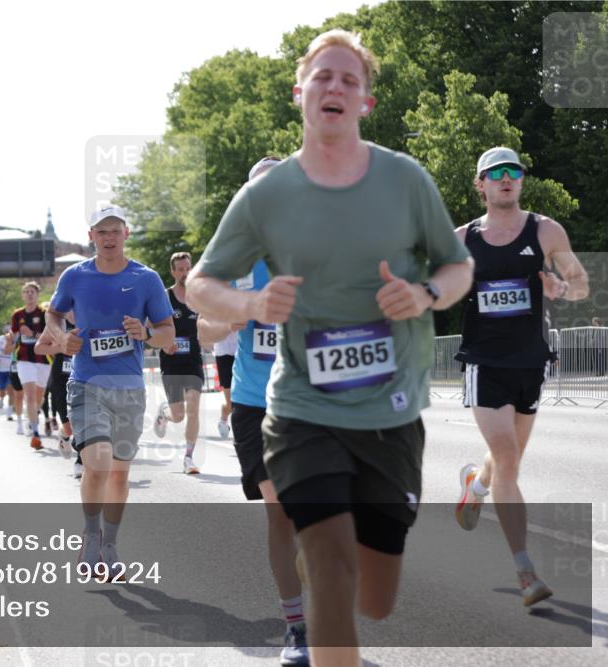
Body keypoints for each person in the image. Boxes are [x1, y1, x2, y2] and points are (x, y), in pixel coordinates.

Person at [185, 30, 474, 667]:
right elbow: (200, 286)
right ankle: (302, 628)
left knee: (374, 593)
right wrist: (251, 305)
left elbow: (458, 267)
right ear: (300, 93)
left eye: (350, 78)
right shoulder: (265, 196)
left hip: (388, 411)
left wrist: (424, 293)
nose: (335, 86)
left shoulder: (404, 179)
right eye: (323, 76)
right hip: (294, 407)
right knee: (324, 558)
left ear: (366, 99)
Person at [453, 146, 589, 607]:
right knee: (508, 456)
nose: (506, 179)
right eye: (496, 173)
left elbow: (581, 282)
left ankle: (476, 485)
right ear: (481, 184)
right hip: (484, 363)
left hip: (530, 361)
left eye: (513, 172)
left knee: (506, 461)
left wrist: (562, 287)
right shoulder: (462, 240)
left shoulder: (545, 230)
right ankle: (525, 571)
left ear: (521, 181)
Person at [196, 156, 309, 665]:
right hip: (252, 402)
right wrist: (238, 315)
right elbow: (203, 330)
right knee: (279, 510)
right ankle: (297, 628)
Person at [46, 205, 175, 579]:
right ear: (91, 236)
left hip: (130, 388)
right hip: (87, 383)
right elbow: (53, 316)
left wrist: (146, 334)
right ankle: (89, 535)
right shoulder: (74, 277)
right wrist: (61, 337)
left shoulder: (146, 278)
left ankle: (110, 545)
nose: (108, 237)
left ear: (126, 233)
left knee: (119, 474)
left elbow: (167, 332)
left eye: (114, 230)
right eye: (101, 231)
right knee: (98, 461)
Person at [152, 251, 205, 475]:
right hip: (171, 363)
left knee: (193, 408)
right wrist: (163, 344)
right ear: (173, 272)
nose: (185, 273)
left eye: (188, 268)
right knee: (179, 415)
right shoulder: (165, 297)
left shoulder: (199, 297)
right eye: (180, 269)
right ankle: (165, 413)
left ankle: (188, 458)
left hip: (193, 361)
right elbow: (151, 328)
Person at [12, 281, 51, 449]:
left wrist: (33, 334)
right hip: (24, 359)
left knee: (39, 396)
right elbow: (14, 335)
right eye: (26, 292)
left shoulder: (45, 314)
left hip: (43, 359)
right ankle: (35, 433)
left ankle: (33, 416)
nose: (29, 294)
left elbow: (50, 337)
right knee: (30, 395)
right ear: (23, 295)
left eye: (32, 292)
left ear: (37, 295)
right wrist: (9, 339)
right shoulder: (17, 315)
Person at [34, 308, 76, 458]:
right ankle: (65, 436)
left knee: (84, 423)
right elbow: (38, 348)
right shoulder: (59, 322)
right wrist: (61, 347)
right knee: (69, 428)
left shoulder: (91, 317)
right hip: (60, 381)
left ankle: (81, 462)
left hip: (84, 379)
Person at [212, 329, 238, 438]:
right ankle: (223, 419)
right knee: (232, 402)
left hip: (243, 352)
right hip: (224, 353)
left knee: (240, 401)